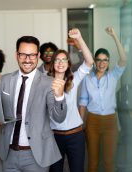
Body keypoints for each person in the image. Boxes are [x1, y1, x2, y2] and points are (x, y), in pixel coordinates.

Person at [0, 35, 67, 171]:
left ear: (38, 56)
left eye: (32, 55)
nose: (27, 60)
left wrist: (59, 97)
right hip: (9, 153)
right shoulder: (5, 80)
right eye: (23, 55)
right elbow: (0, 113)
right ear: (16, 55)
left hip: (36, 154)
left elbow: (58, 118)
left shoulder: (48, 82)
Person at [79, 27, 127, 172]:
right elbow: (82, 104)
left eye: (105, 60)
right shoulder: (87, 79)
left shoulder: (113, 76)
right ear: (94, 61)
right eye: (98, 60)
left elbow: (124, 59)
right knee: (93, 162)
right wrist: (80, 127)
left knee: (108, 162)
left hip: (110, 122)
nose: (102, 63)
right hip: (92, 122)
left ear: (108, 61)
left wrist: (114, 36)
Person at [48, 28, 94, 172]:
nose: (60, 63)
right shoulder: (45, 83)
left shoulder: (72, 79)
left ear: (68, 63)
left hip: (75, 136)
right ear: (52, 63)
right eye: (57, 60)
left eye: (64, 60)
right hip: (54, 137)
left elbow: (89, 62)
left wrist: (79, 38)